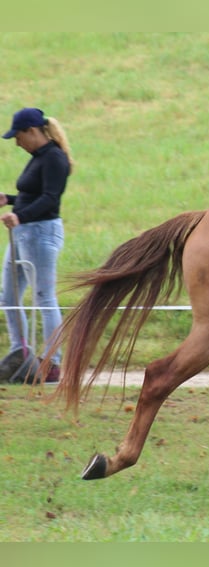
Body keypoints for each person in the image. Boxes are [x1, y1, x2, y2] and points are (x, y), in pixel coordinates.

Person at [0, 107, 73, 383]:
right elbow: (32, 196)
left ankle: (52, 363)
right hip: (24, 232)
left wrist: (20, 216)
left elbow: (50, 200)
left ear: (31, 131)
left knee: (44, 297)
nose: (17, 143)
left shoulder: (54, 158)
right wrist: (8, 199)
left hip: (41, 234)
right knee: (8, 298)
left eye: (18, 137)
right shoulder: (37, 157)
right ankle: (21, 353)